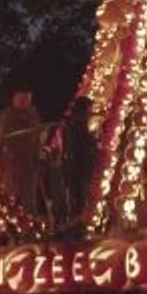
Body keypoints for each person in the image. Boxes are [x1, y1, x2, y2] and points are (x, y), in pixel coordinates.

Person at [0, 90, 42, 215]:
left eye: (27, 100)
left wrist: (37, 156)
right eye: (21, 100)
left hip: (29, 163)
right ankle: (10, 219)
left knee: (29, 197)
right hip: (11, 163)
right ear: (14, 99)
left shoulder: (33, 114)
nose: (24, 103)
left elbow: (36, 137)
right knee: (10, 196)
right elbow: (1, 137)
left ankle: (30, 220)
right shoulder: (7, 115)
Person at [61, 97, 95, 228]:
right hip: (79, 164)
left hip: (73, 163)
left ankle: (75, 220)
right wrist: (94, 142)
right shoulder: (79, 122)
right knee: (79, 194)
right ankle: (78, 222)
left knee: (75, 194)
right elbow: (83, 143)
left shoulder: (70, 122)